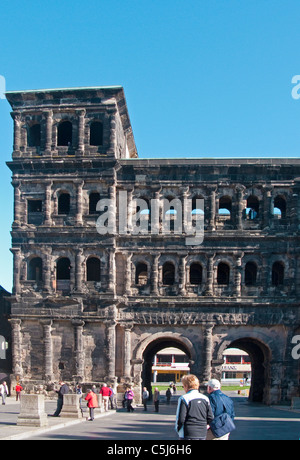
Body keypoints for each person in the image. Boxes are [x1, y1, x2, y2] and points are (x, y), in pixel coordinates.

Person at [175, 374, 214, 441]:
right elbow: (210, 417)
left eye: (183, 386)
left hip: (188, 433)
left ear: (186, 386)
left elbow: (181, 418)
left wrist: (178, 429)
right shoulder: (205, 398)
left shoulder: (184, 398)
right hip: (202, 433)